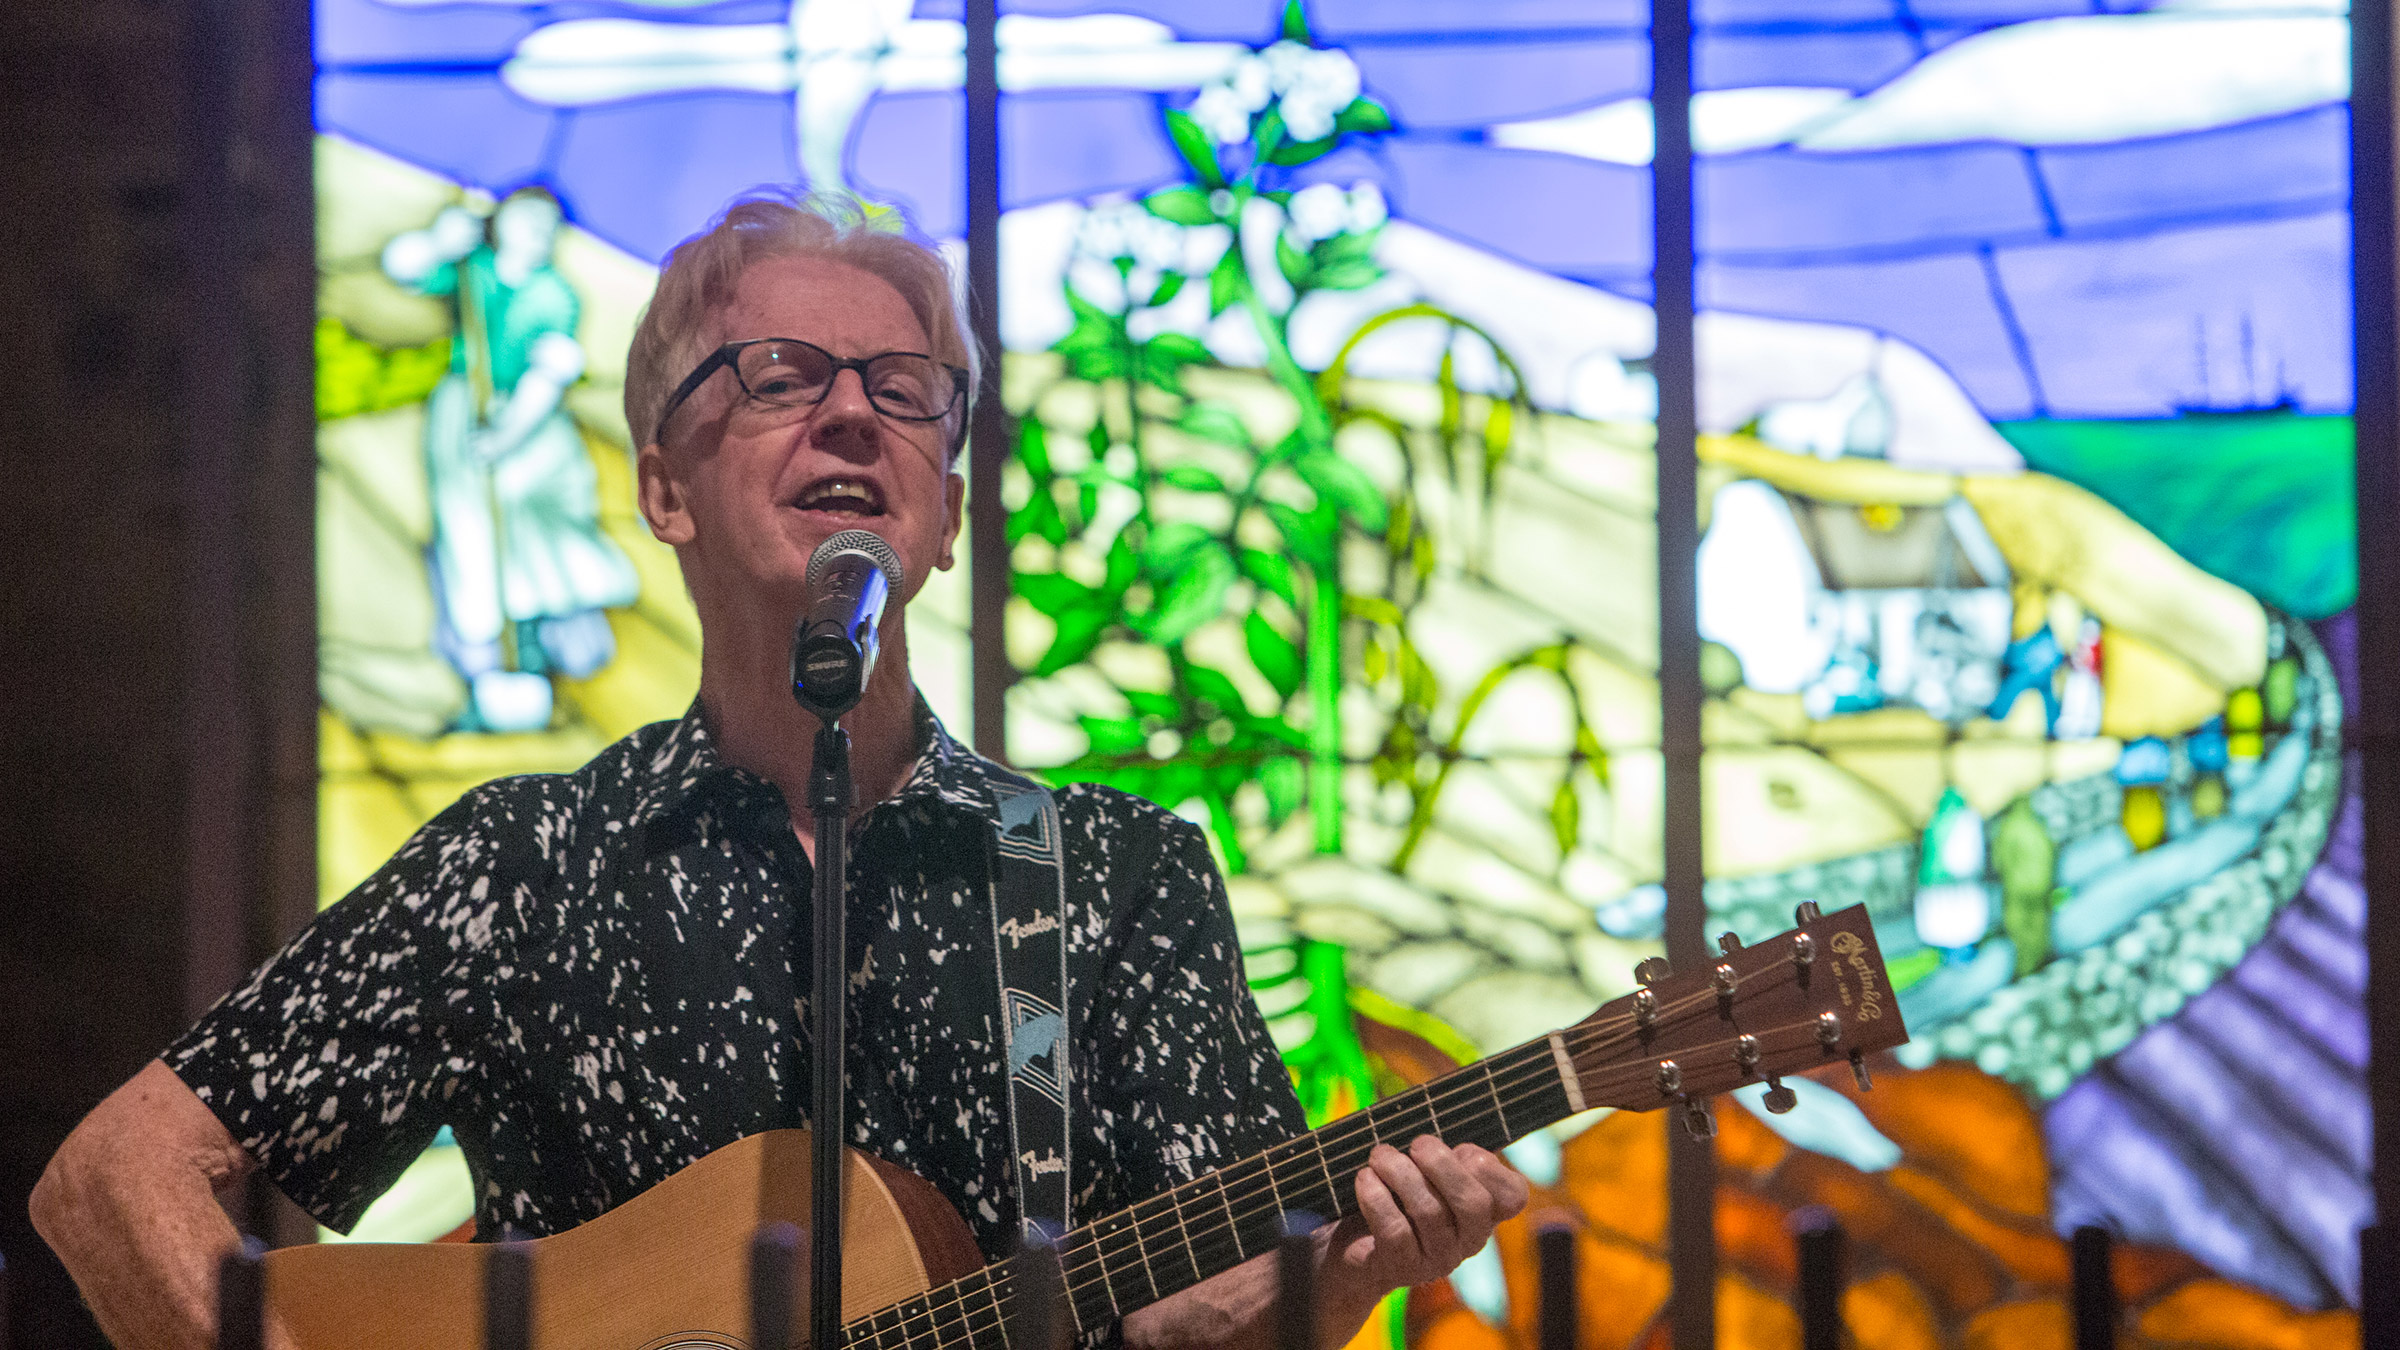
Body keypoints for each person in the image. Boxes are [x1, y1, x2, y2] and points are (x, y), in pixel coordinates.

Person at [30, 188, 1528, 1350]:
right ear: (663, 488)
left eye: (903, 387)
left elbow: (1195, 1313)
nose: (853, 411)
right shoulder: (524, 865)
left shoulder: (1113, 876)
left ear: (942, 511)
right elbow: (110, 1177)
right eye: (781, 374)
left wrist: (1336, 1282)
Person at [382, 187, 640, 733]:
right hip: (465, 419)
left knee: (540, 537)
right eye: (525, 220)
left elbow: (548, 374)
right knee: (471, 536)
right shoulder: (472, 271)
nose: (537, 233)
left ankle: (542, 651)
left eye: (548, 225)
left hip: (532, 429)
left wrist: (508, 435)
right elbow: (402, 267)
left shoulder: (556, 295)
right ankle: (485, 667)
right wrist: (437, 242)